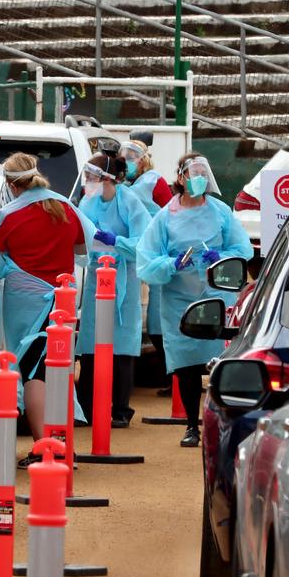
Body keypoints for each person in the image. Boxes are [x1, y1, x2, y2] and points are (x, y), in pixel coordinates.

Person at [0, 152, 94, 466]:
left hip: (25, 302)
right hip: (63, 299)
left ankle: (45, 445)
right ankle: (60, 441)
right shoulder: (65, 207)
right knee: (57, 369)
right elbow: (85, 246)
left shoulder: (8, 216)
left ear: (11, 184)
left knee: (33, 372)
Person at [137, 152, 253, 447]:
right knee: (186, 365)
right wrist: (173, 264)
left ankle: (224, 424)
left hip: (219, 295)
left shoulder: (220, 211)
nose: (200, 177)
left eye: (204, 171)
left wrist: (221, 257)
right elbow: (147, 260)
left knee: (221, 362)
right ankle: (192, 425)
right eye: (194, 172)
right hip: (179, 300)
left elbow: (242, 248)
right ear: (181, 177)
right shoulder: (166, 217)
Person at [76, 152, 150, 428]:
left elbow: (144, 243)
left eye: (92, 177)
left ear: (107, 178)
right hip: (97, 278)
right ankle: (86, 408)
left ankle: (120, 409)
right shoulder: (88, 200)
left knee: (121, 345)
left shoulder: (130, 201)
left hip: (124, 280)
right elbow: (81, 238)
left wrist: (116, 241)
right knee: (92, 345)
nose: (88, 182)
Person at [121, 140, 172, 391]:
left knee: (161, 317)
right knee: (154, 320)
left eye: (133, 156)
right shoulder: (128, 184)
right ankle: (168, 376)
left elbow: (171, 212)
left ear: (144, 159)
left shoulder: (154, 181)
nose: (129, 160)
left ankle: (172, 377)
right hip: (140, 253)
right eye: (125, 156)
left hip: (159, 252)